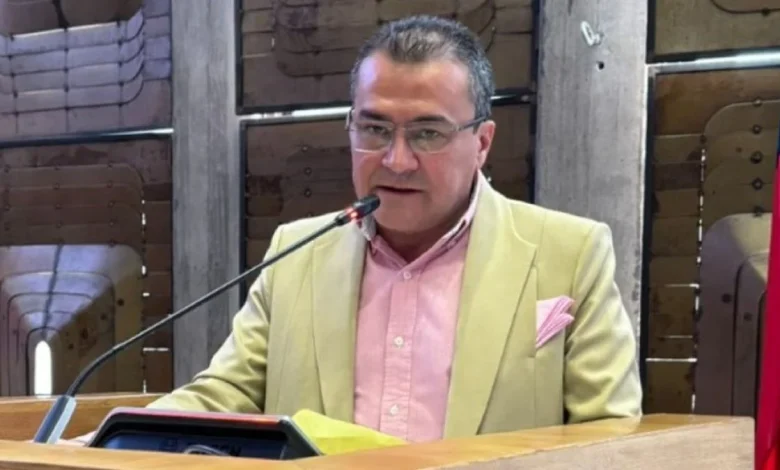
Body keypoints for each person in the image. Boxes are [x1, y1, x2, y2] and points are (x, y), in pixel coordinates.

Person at [67, 14, 641, 446]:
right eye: (374, 129)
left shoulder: (570, 253)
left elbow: (610, 437)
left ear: (482, 142)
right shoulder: (297, 252)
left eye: (428, 133)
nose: (396, 160)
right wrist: (99, 444)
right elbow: (226, 395)